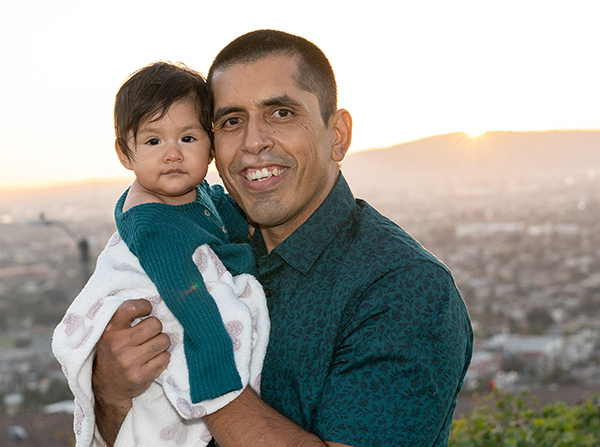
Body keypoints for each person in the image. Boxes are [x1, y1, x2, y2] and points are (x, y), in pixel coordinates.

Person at [92, 30, 473, 446]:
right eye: (231, 121)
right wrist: (111, 392)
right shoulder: (202, 245)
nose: (254, 142)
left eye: (281, 113)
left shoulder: (402, 288)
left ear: (338, 135)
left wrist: (203, 370)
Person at [52, 62, 269, 446]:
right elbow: (187, 299)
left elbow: (214, 215)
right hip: (183, 324)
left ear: (211, 144)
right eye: (153, 141)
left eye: (187, 138)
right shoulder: (152, 223)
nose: (172, 154)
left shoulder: (189, 189)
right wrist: (213, 374)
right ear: (125, 153)